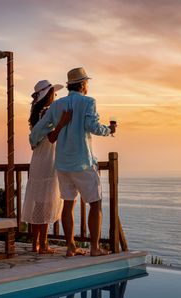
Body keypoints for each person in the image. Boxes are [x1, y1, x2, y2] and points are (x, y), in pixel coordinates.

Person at [29, 67, 116, 257]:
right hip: (82, 162)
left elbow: (37, 131)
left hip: (62, 164)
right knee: (95, 203)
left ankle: (70, 246)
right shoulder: (88, 102)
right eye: (87, 83)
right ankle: (94, 248)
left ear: (70, 85)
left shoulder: (57, 105)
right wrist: (109, 130)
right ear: (83, 84)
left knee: (68, 204)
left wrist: (33, 141)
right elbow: (92, 126)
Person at [22, 79, 72, 254]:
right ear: (48, 95)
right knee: (44, 202)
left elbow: (37, 139)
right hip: (47, 160)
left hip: (37, 159)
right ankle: (43, 244)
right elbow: (51, 138)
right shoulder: (46, 113)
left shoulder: (37, 113)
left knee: (38, 202)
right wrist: (62, 123)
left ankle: (35, 243)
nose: (56, 96)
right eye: (54, 93)